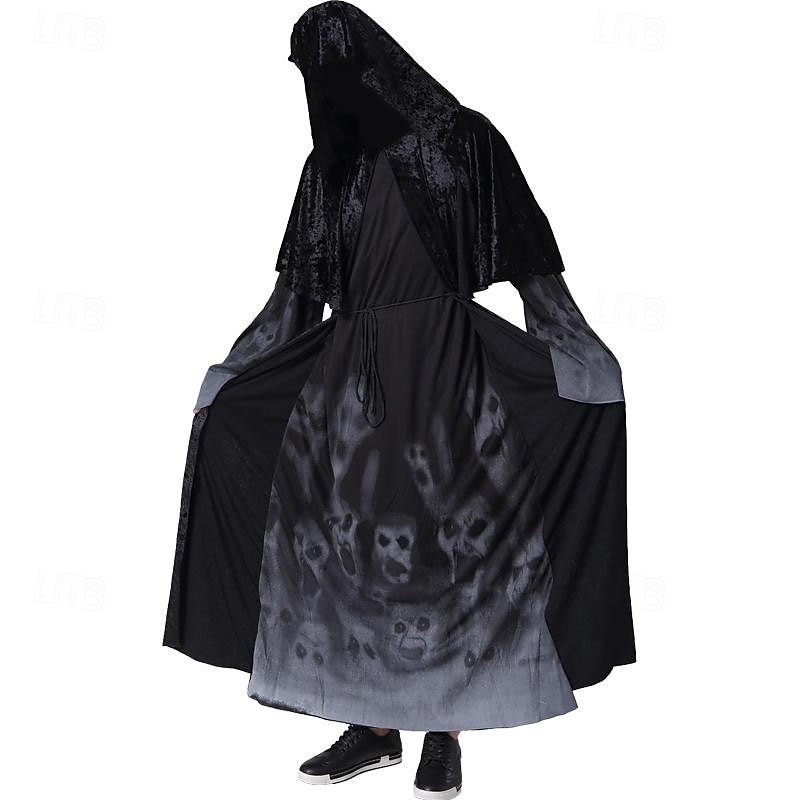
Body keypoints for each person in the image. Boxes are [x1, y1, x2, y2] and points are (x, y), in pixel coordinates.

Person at [164, 3, 636, 797]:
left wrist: (580, 349)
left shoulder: (467, 141)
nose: (318, 92)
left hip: (451, 375)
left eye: (324, 73)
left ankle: (445, 733)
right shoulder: (328, 168)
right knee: (352, 548)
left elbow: (529, 263)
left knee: (446, 545)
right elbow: (293, 301)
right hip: (347, 393)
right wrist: (232, 375)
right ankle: (372, 728)